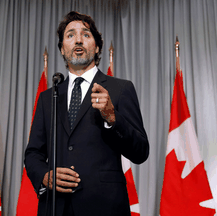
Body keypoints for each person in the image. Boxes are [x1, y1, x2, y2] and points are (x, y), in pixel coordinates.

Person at [25, 11, 149, 216]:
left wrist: (112, 118)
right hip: (55, 207)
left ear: (97, 46)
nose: (78, 39)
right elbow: (33, 153)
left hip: (104, 206)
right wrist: (45, 176)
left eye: (86, 34)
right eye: (70, 35)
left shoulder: (121, 89)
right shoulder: (48, 97)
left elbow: (141, 151)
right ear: (62, 50)